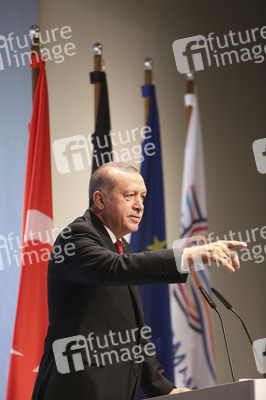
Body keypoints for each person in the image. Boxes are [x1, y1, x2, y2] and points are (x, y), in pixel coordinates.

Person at [32, 162, 247, 400]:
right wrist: (187, 255)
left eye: (143, 197)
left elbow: (133, 331)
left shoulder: (123, 248)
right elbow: (112, 268)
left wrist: (165, 388)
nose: (139, 206)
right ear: (100, 200)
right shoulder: (75, 238)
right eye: (130, 196)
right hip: (77, 390)